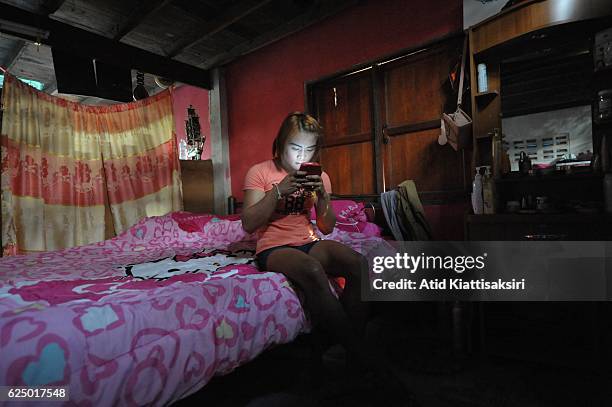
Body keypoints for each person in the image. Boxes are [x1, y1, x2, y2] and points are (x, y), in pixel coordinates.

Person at [241, 112, 372, 371]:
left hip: (308, 239)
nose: (302, 156)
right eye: (295, 148)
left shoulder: (320, 177)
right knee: (312, 270)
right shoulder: (260, 172)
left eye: (310, 149)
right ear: (280, 145)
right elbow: (248, 223)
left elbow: (326, 226)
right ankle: (362, 354)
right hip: (274, 246)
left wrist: (322, 195)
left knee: (359, 264)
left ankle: (339, 347)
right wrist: (278, 191)